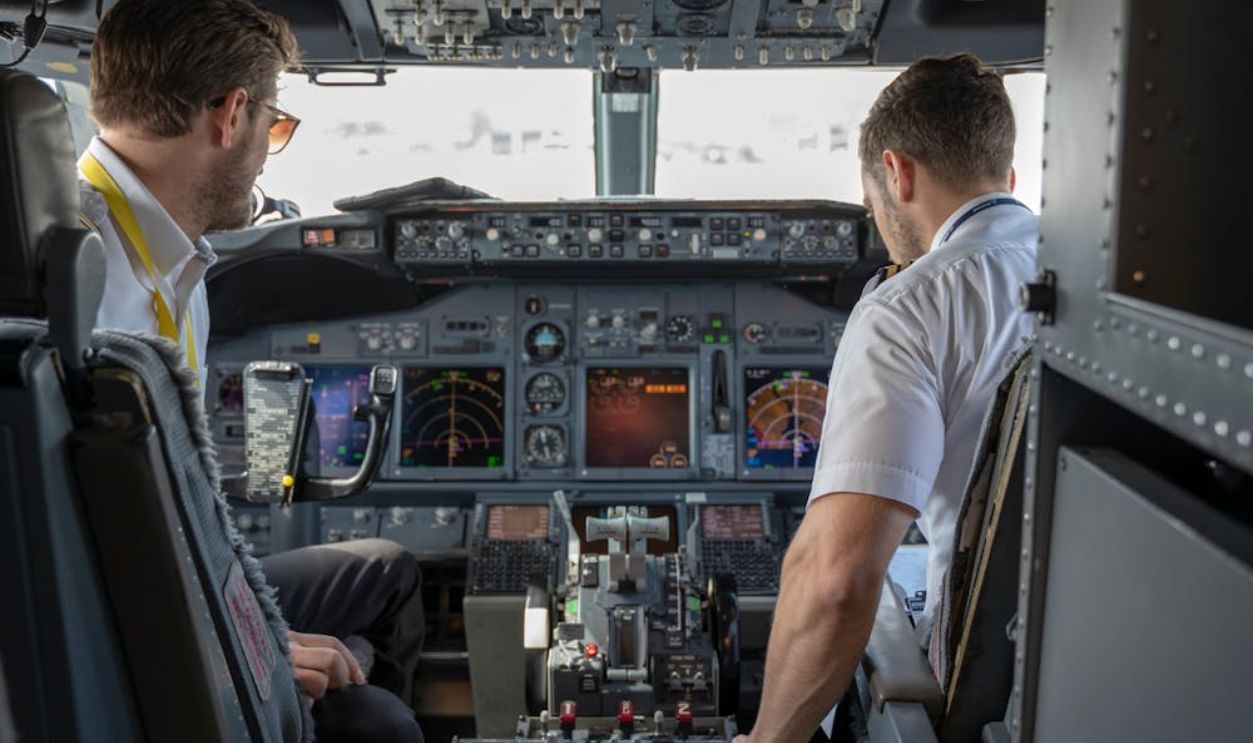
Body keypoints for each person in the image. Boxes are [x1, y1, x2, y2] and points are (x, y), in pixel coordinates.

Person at [79, 1, 424, 740]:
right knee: (379, 723)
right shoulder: (85, 286)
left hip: (173, 576)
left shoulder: (161, 257)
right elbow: (87, 555)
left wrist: (251, 628)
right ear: (231, 115)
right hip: (126, 625)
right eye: (275, 125)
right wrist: (239, 650)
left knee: (385, 570)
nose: (270, 152)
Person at [738, 54, 1037, 742]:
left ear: (897, 173)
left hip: (979, 701)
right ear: (1008, 179)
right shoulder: (1100, 283)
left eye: (872, 203)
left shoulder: (911, 306)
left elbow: (836, 581)